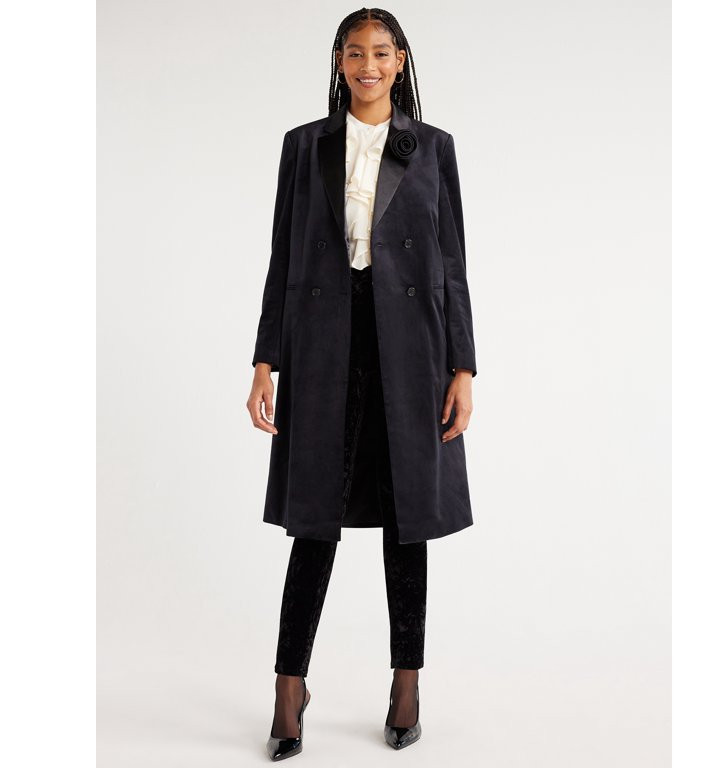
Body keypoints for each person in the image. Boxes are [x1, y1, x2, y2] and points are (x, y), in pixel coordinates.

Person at [246, 8, 477, 759]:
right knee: (313, 520)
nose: (367, 65)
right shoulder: (304, 145)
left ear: (401, 60)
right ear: (339, 61)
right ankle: (289, 688)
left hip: (410, 349)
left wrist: (463, 367)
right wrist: (264, 361)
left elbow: (451, 265)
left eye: (381, 52)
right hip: (322, 344)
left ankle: (407, 683)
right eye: (354, 52)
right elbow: (283, 258)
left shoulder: (432, 148)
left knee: (409, 519)